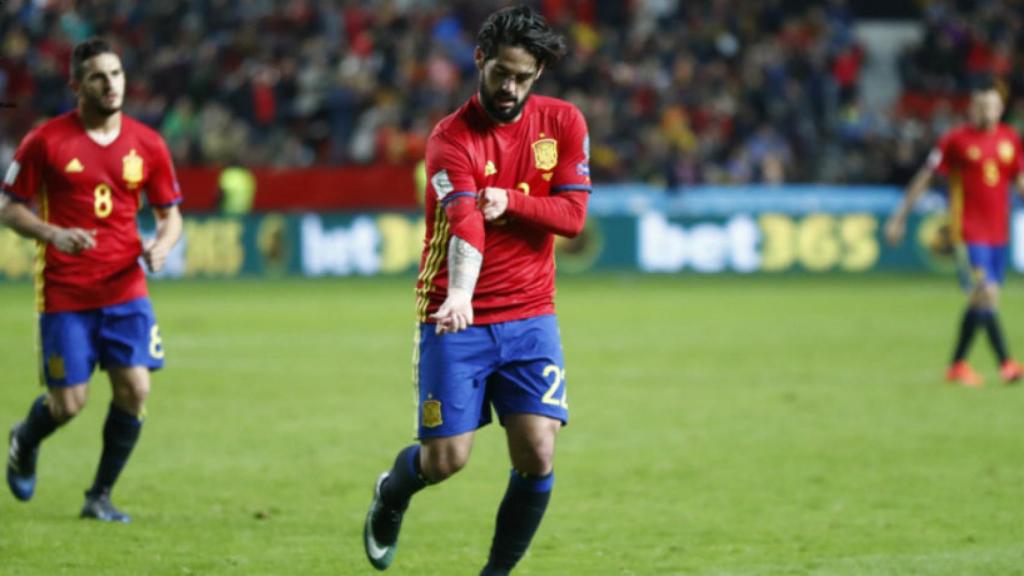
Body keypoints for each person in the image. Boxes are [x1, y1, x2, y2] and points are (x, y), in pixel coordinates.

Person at [362, 6, 590, 575]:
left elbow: (572, 216)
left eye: (523, 77)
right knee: (446, 459)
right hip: (454, 314)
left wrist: (511, 201)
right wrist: (461, 293)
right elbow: (465, 222)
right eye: (501, 73)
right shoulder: (450, 138)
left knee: (538, 451)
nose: (509, 87)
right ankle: (392, 492)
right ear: (480, 60)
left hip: (532, 314)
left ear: (538, 74)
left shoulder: (563, 123)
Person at [1, 37, 183, 522]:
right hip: (65, 290)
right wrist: (52, 233)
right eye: (99, 76)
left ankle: (98, 495)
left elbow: (171, 214)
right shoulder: (45, 141)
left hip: (125, 286)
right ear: (76, 84)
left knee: (136, 388)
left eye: (117, 74)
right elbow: (9, 208)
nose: (111, 85)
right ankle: (24, 438)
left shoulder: (148, 144)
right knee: (68, 403)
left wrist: (161, 246)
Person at [885, 78, 1024, 387]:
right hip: (967, 232)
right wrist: (899, 217)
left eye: (993, 105)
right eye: (982, 105)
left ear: (1001, 108)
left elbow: (1019, 180)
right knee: (986, 294)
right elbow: (925, 177)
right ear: (973, 107)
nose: (988, 111)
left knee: (982, 302)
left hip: (998, 234)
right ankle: (1007, 363)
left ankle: (957, 365)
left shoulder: (1010, 140)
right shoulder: (956, 141)